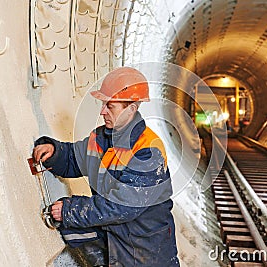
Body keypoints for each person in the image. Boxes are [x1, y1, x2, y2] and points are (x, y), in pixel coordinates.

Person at [32, 67, 180, 266]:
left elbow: (121, 206)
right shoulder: (100, 138)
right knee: (71, 228)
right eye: (103, 104)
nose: (102, 111)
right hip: (114, 233)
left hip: (146, 249)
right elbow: (74, 159)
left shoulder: (148, 151)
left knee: (72, 218)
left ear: (132, 108)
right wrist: (55, 152)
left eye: (110, 106)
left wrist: (70, 210)